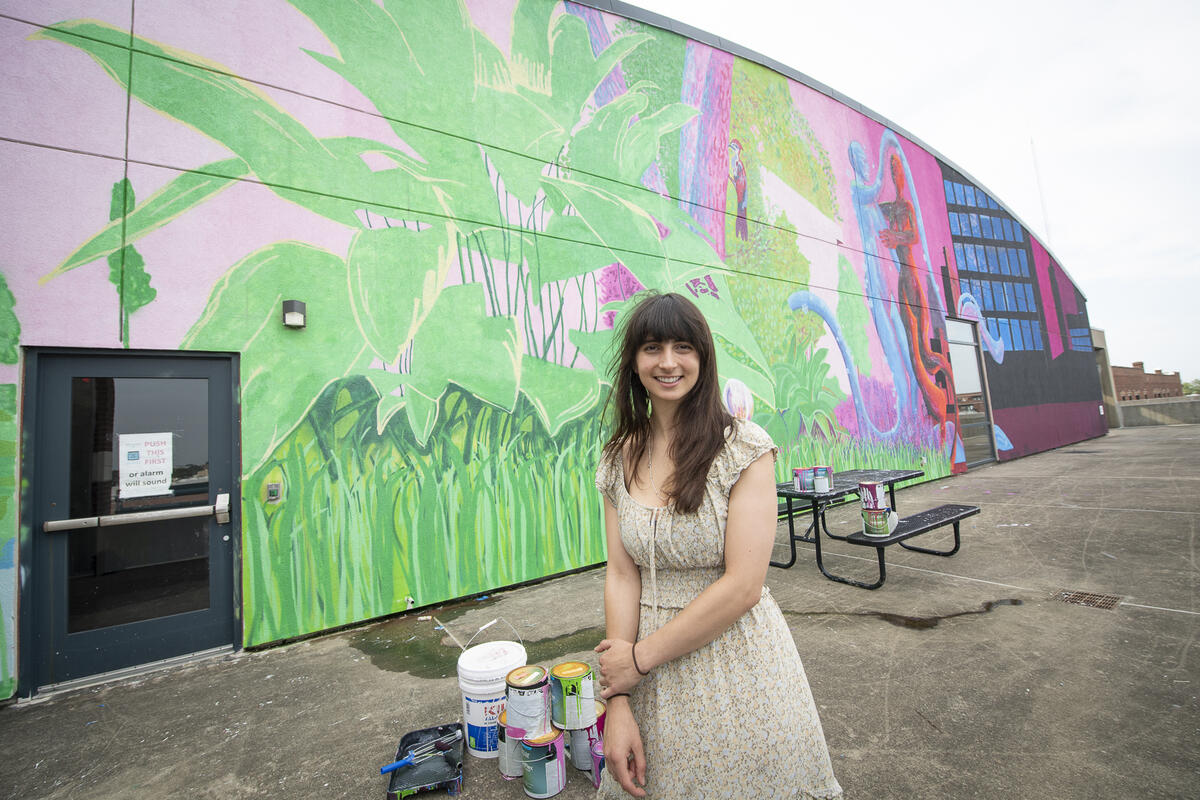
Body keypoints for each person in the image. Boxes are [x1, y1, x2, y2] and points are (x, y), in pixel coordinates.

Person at [593, 291, 843, 799]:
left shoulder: (744, 448)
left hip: (736, 662)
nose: (667, 362)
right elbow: (622, 574)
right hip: (645, 676)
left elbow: (744, 585)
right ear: (633, 363)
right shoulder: (618, 456)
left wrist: (639, 660)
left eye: (683, 347)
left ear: (703, 359)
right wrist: (618, 696)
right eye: (652, 347)